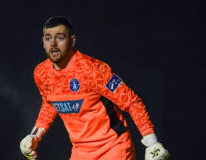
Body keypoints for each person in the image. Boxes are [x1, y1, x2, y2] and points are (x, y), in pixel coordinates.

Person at [19, 16, 169, 160]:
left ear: (72, 41)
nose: (53, 43)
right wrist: (34, 135)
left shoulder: (93, 70)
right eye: (48, 38)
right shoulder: (41, 73)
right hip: (80, 152)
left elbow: (132, 101)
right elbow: (50, 103)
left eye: (59, 37)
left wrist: (151, 142)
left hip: (113, 148)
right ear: (43, 42)